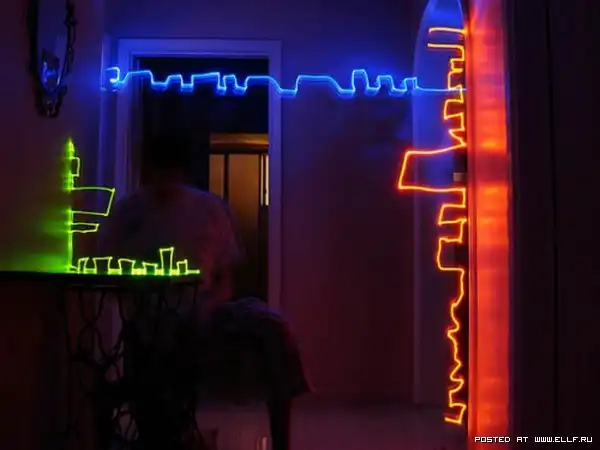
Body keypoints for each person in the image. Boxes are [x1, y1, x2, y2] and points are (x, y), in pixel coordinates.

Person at [97, 133, 309, 450]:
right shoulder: (129, 213)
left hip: (205, 309)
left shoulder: (208, 209)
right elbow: (108, 270)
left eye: (170, 173)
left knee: (272, 330)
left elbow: (225, 276)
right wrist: (139, 307)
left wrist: (208, 307)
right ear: (146, 170)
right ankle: (166, 428)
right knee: (160, 366)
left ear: (181, 172)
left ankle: (280, 438)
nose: (164, 182)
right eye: (158, 172)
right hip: (151, 318)